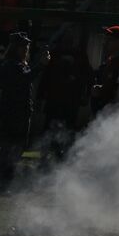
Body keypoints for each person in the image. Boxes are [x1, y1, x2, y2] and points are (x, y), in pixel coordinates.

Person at [0, 33, 43, 187]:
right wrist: (41, 65)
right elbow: (24, 79)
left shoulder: (21, 64)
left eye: (26, 46)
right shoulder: (11, 64)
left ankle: (6, 178)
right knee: (11, 146)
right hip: (13, 112)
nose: (25, 49)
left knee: (17, 146)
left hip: (21, 111)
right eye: (22, 46)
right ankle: (1, 178)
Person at [39, 35, 91, 163]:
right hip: (55, 98)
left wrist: (84, 93)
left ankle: (63, 157)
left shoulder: (79, 55)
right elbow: (46, 75)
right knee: (50, 130)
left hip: (70, 100)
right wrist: (41, 95)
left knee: (67, 129)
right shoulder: (56, 53)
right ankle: (47, 156)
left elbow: (87, 75)